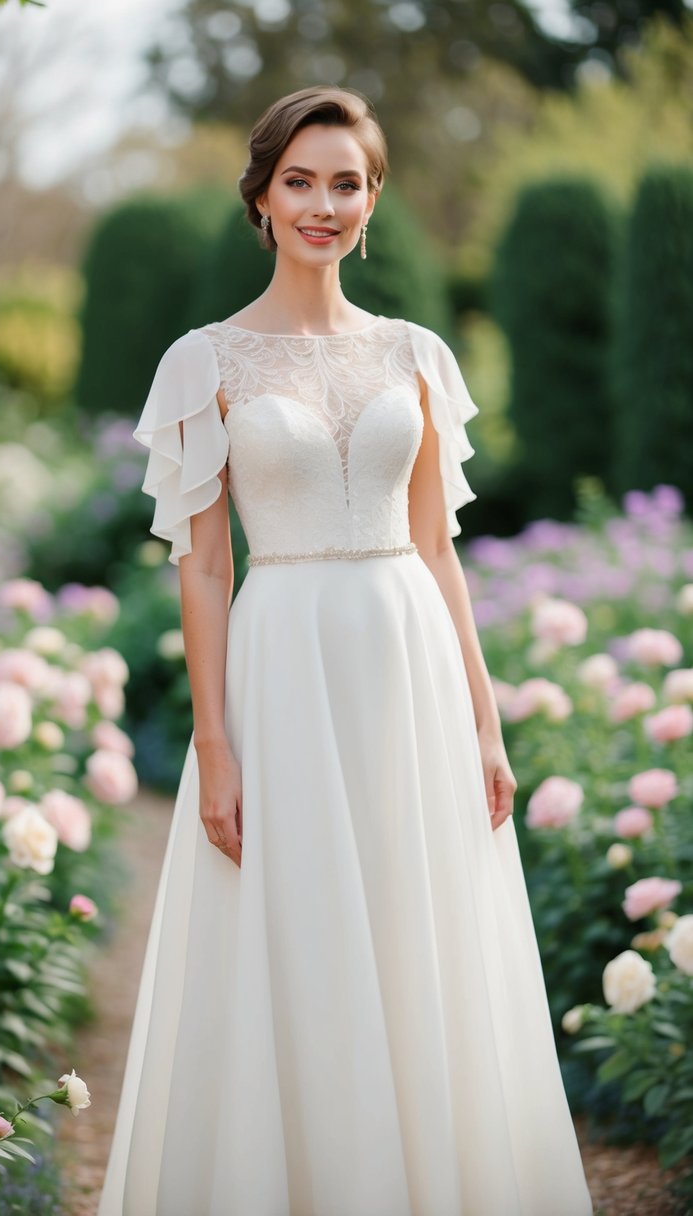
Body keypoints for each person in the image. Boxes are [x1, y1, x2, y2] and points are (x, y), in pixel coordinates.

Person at [97, 85, 594, 1216]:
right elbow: (204, 566)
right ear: (261, 197)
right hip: (280, 667)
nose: (324, 205)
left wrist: (484, 718)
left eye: (347, 183)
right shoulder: (202, 361)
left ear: (372, 202)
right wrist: (212, 743)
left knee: (417, 932)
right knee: (296, 926)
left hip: (406, 662)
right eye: (300, 181)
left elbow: (437, 549)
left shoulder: (417, 354)